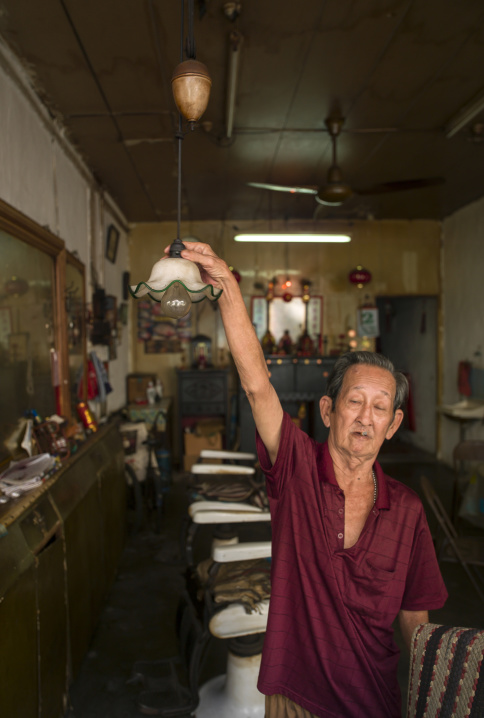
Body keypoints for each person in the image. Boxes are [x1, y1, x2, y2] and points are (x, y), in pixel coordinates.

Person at [169, 241, 448, 718]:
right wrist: (228, 289)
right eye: (354, 401)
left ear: (394, 424)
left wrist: (431, 698)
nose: (365, 417)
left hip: (373, 700)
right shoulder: (297, 469)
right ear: (328, 410)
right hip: (295, 695)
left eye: (380, 408)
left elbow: (415, 614)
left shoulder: (407, 509)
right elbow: (258, 385)